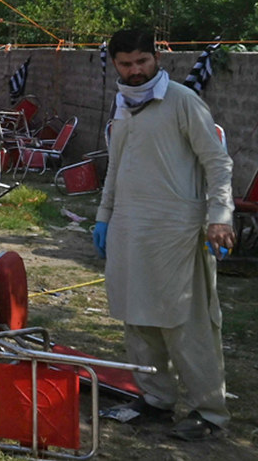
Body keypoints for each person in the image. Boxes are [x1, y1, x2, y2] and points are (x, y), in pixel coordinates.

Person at [94, 28, 234, 441]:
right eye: (126, 64)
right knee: (137, 318)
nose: (135, 70)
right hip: (128, 230)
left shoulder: (182, 101)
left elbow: (218, 163)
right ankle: (155, 399)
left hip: (177, 232)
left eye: (142, 61)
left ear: (157, 59)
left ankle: (210, 412)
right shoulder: (124, 104)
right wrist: (104, 216)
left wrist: (220, 216)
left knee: (186, 325)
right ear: (115, 65)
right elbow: (115, 167)